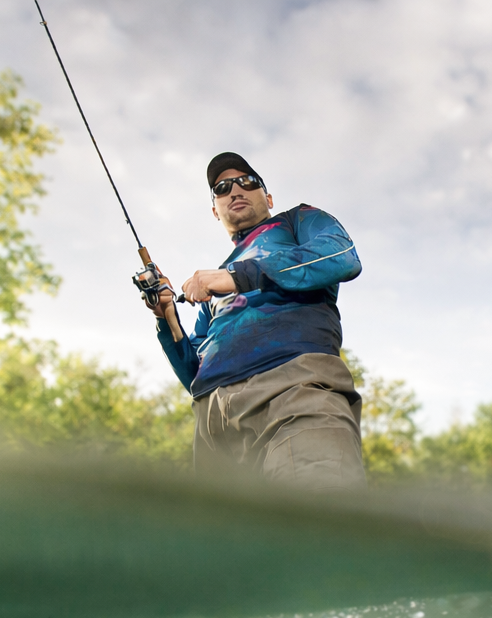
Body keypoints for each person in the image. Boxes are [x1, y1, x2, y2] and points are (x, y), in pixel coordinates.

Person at [140, 153, 366, 487]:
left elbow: (341, 256)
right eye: (222, 187)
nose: (235, 190)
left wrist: (239, 276)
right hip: (212, 425)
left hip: (293, 390)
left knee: (318, 521)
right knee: (231, 539)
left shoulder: (298, 221)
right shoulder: (215, 287)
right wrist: (167, 317)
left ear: (268, 197)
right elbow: (194, 374)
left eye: (248, 182)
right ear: (215, 211)